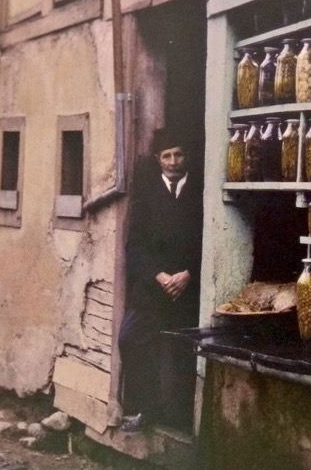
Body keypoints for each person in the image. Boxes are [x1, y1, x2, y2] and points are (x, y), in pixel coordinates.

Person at [118, 128, 202, 432]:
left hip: (189, 289)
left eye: (178, 154)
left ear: (187, 156)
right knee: (130, 340)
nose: (173, 161)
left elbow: (209, 239)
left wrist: (189, 273)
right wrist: (159, 276)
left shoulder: (200, 192)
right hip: (154, 288)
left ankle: (181, 417)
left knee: (184, 351)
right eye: (166, 156)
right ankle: (147, 409)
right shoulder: (148, 195)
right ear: (158, 160)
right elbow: (134, 246)